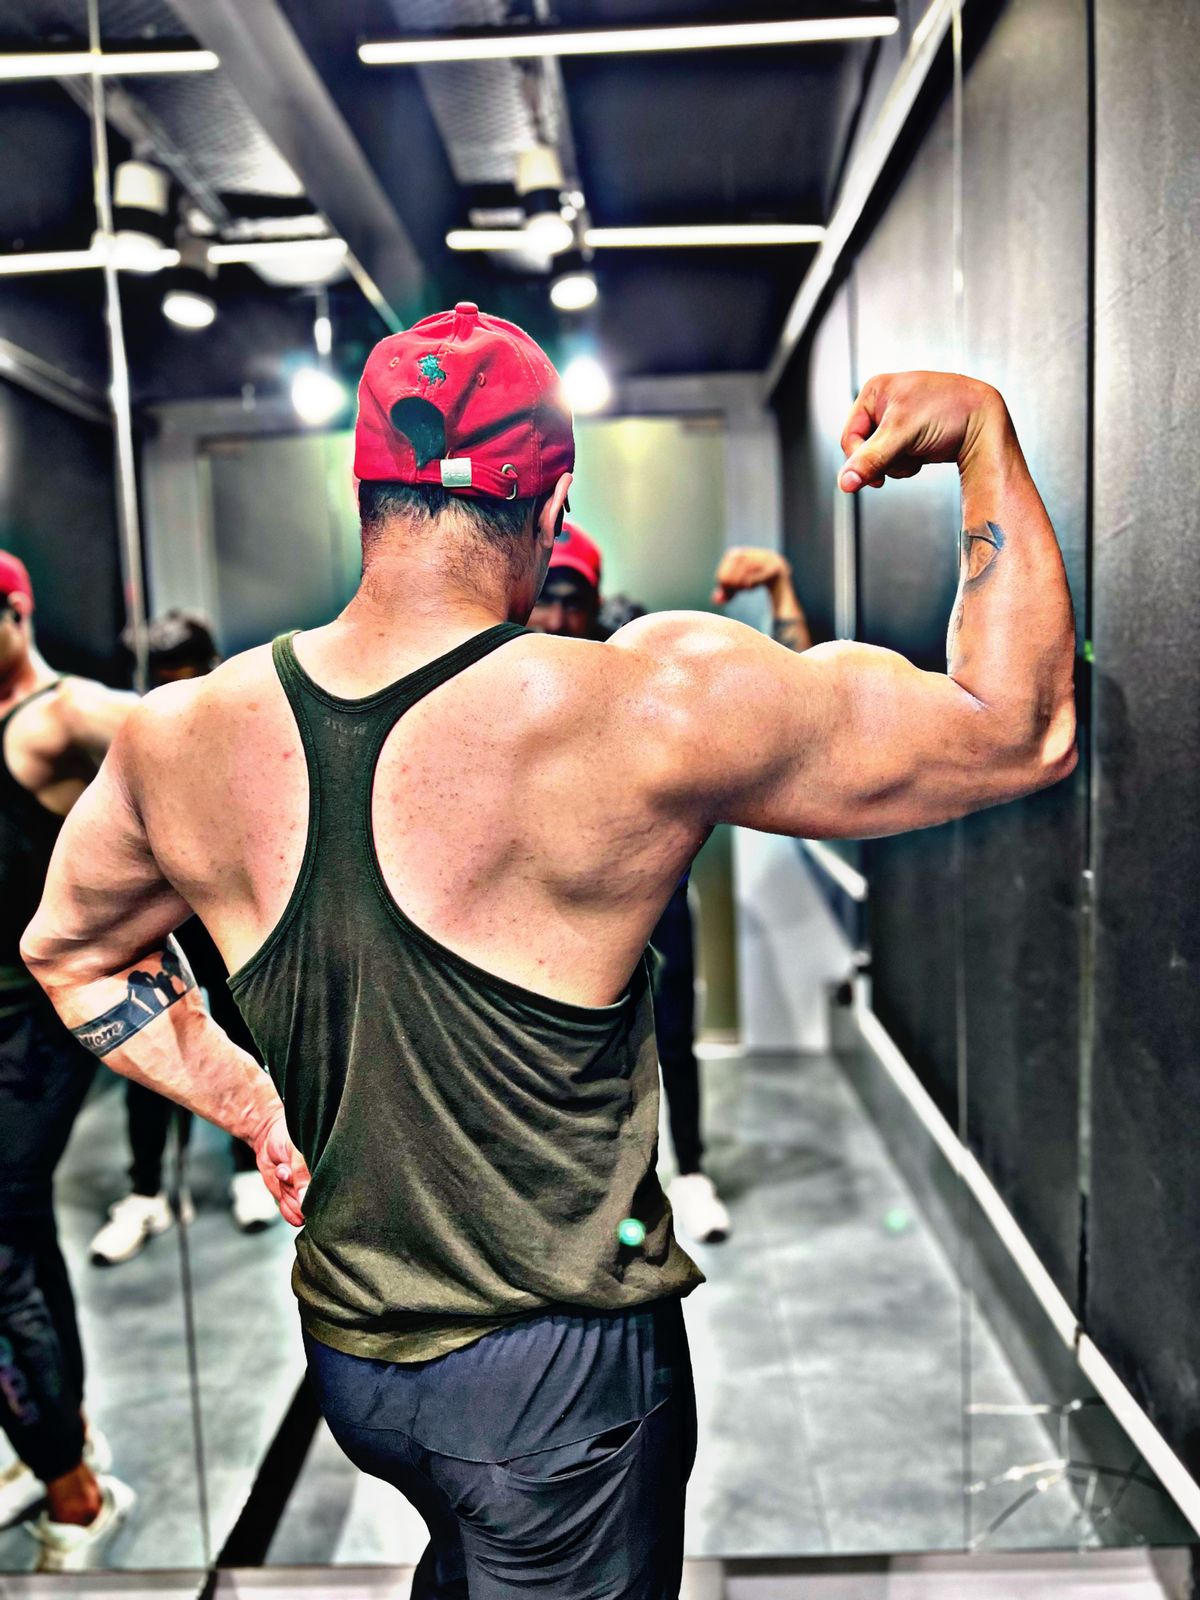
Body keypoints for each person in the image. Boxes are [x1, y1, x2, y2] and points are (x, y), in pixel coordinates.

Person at [23, 306, 1076, 1597]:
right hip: (553, 1390)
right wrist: (981, 434)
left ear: (365, 493)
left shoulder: (179, 734)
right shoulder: (649, 703)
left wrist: (252, 1106)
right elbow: (1020, 728)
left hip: (357, 1357)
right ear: (555, 499)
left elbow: (71, 955)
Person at [529, 525, 813, 1244]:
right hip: (555, 891)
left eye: (572, 600)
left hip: (652, 880)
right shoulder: (505, 667)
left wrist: (779, 590)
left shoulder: (634, 658)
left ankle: (689, 1171)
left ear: (594, 601)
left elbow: (794, 709)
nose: (557, 618)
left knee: (674, 1027)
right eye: (544, 599)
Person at [0, 551, 138, 1570]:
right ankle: (62, 1432)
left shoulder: (57, 716)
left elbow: (190, 738)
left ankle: (74, 1493)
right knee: (19, 1228)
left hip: (36, 1027)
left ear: (17, 610)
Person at [89, 614, 275, 1267]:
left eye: (184, 677)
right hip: (153, 920)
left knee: (240, 1034)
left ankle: (250, 1170)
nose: (172, 692)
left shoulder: (241, 732)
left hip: (222, 918)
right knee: (150, 1050)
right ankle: (147, 1191)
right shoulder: (126, 737)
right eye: (160, 680)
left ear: (208, 667)